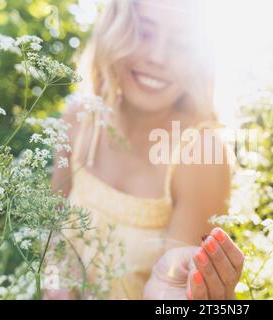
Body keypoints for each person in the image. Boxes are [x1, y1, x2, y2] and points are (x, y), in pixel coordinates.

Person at [50, 0, 244, 300]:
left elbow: (177, 298)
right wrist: (55, 280)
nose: (158, 57)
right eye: (143, 32)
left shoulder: (200, 154)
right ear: (114, 32)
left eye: (181, 43)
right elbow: (49, 232)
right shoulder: (78, 118)